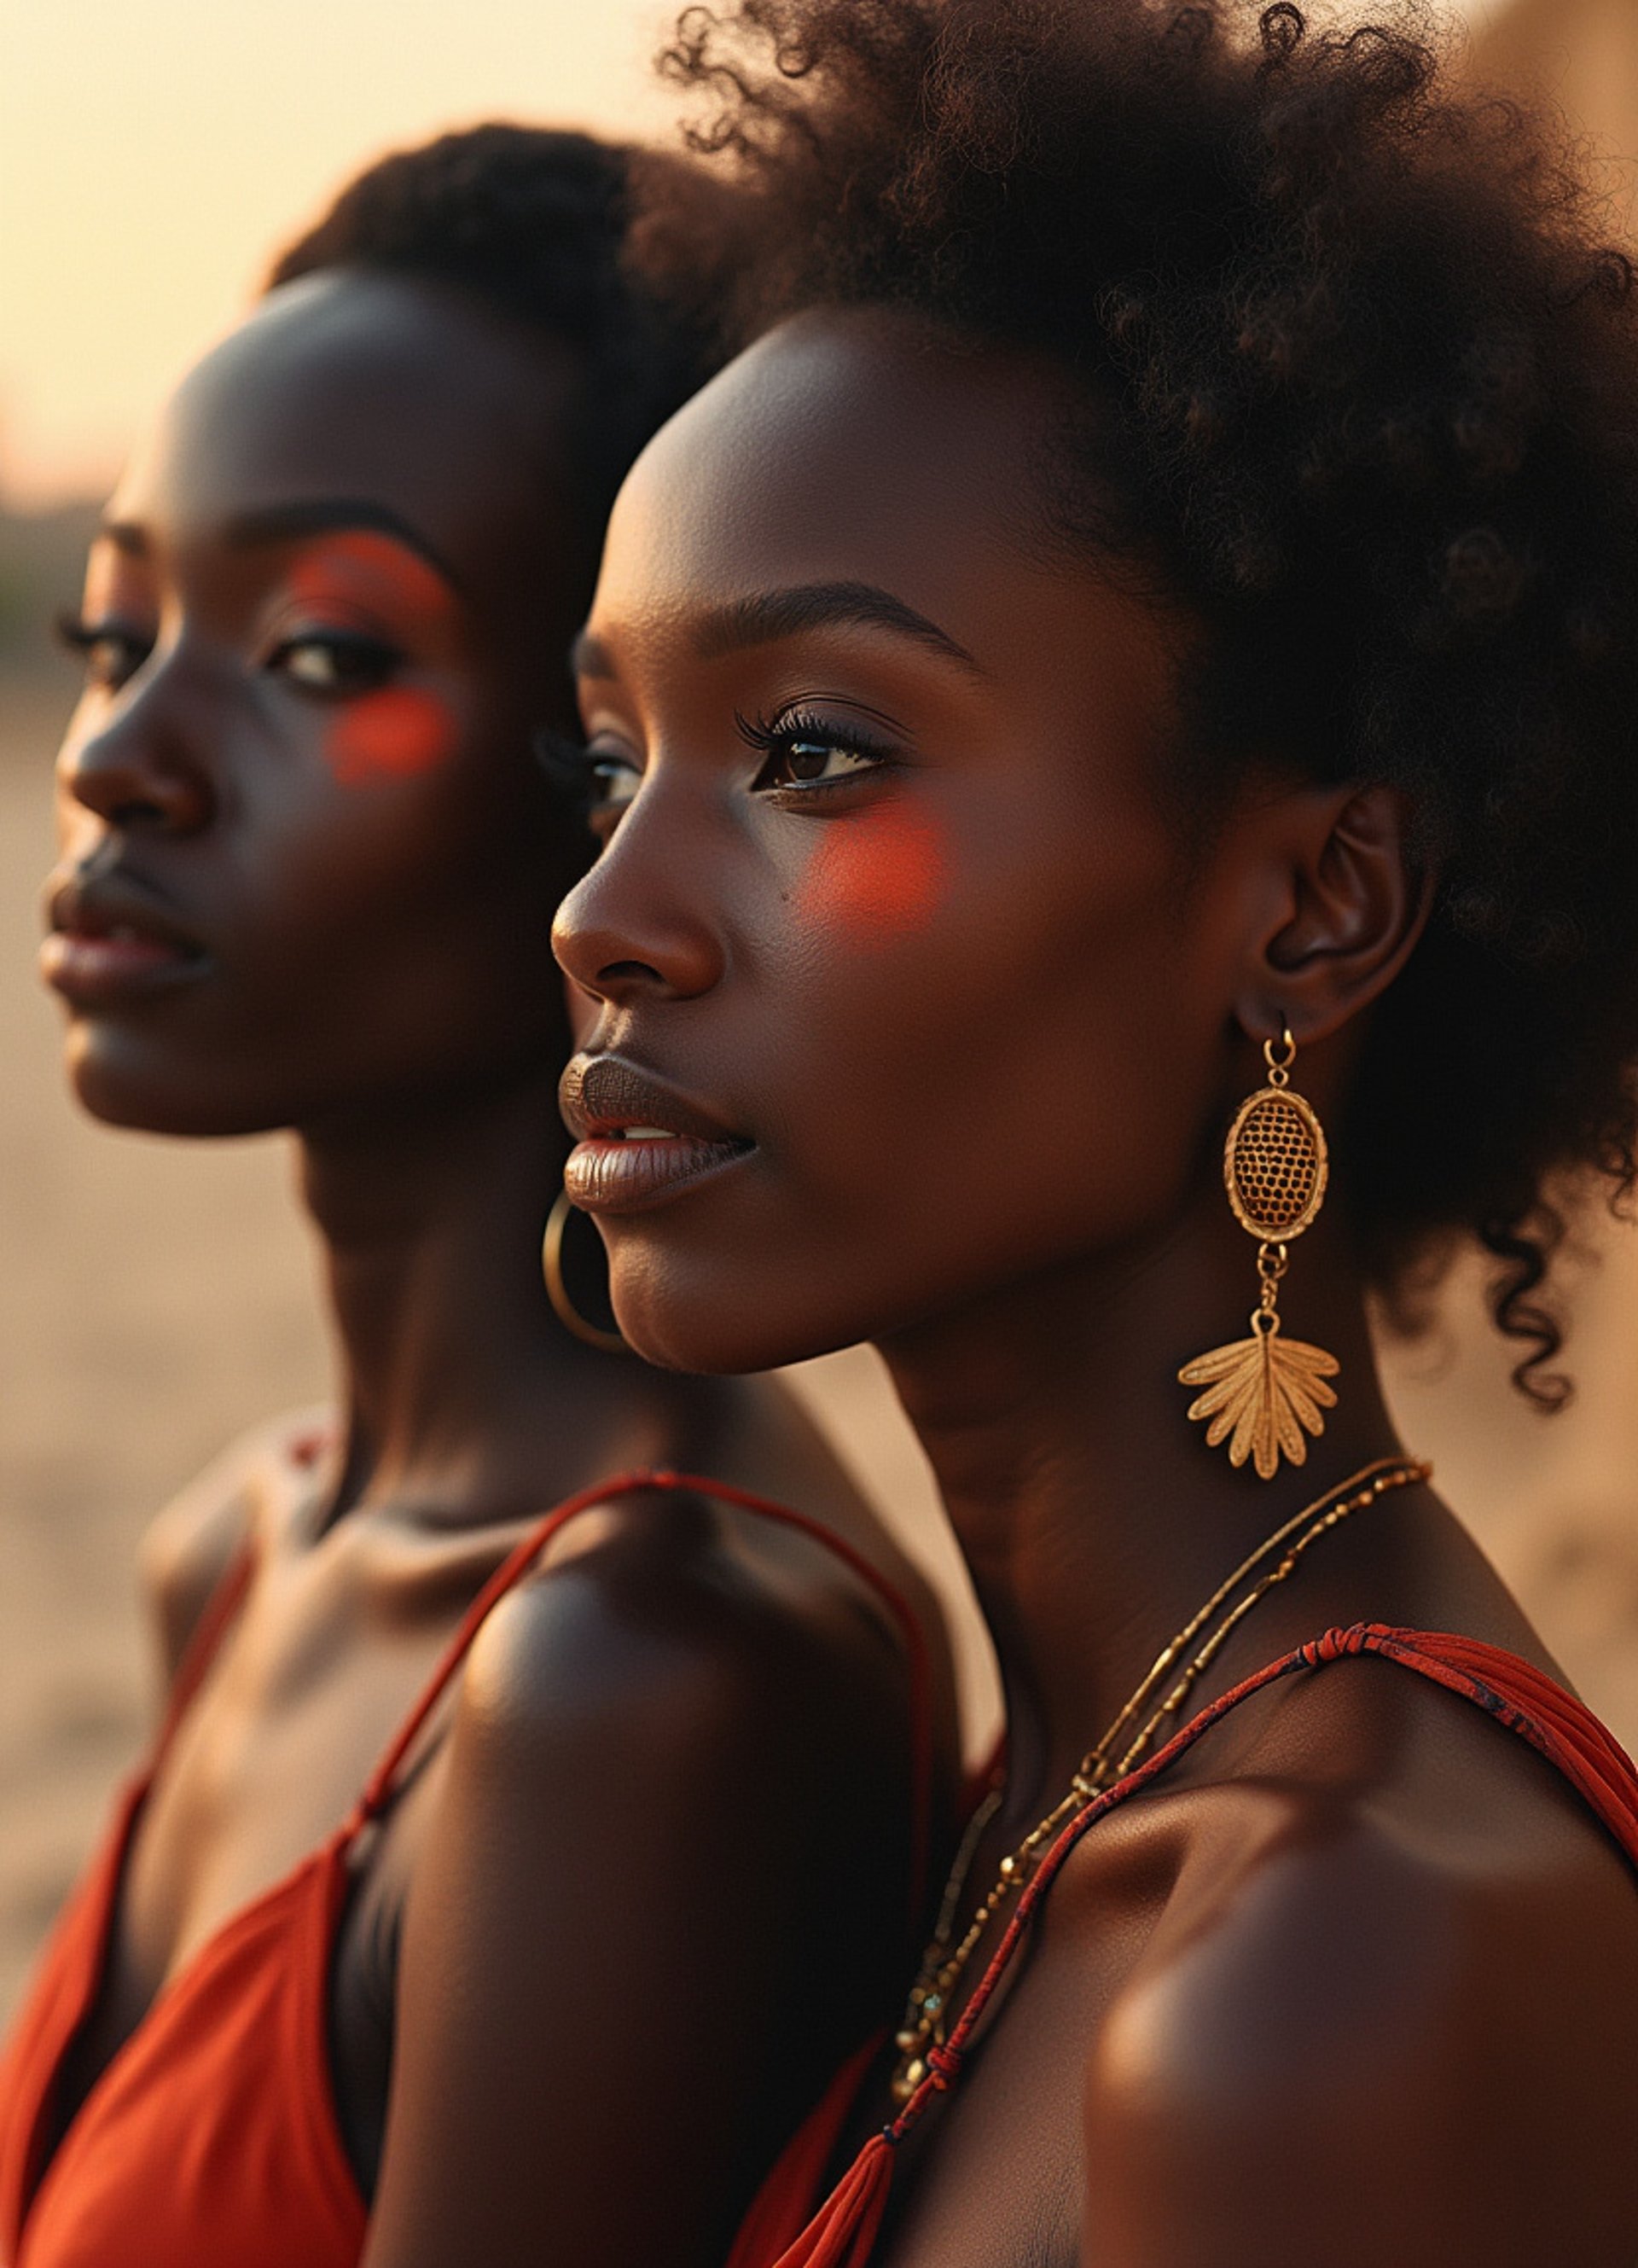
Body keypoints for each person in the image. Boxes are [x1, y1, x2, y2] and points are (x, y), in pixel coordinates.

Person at [550, 3, 1638, 2258]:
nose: (608, 915)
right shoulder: (1036, 1813)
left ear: (1316, 906)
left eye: (816, 753)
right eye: (610, 762)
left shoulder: (1337, 1964)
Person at [2, 125, 958, 2268]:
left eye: (321, 655)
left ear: (614, 766)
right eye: (113, 628)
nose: (113, 756)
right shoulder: (245, 1547)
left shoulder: (648, 1676)